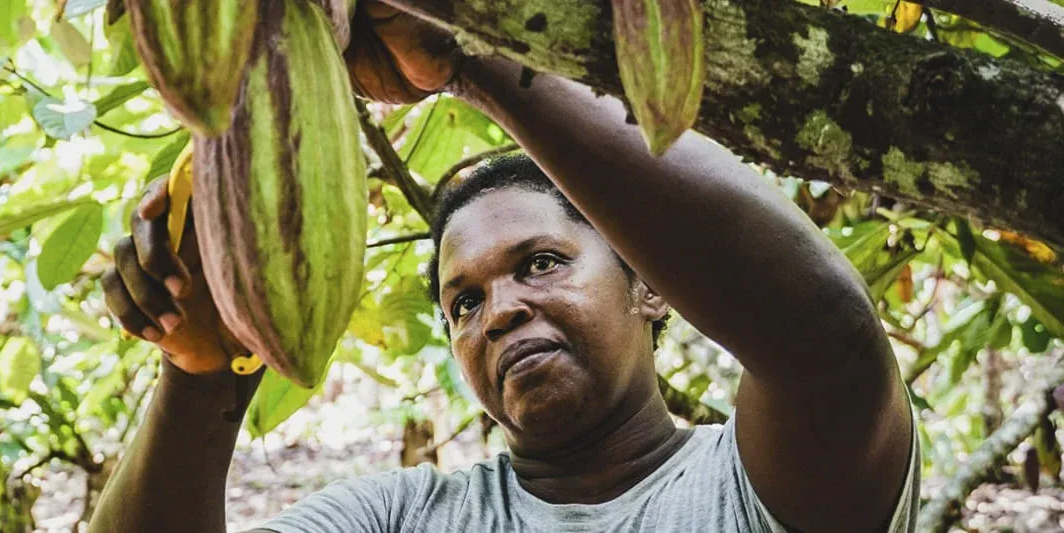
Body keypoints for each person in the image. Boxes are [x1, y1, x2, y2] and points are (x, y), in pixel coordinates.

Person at [91, 2, 919, 531]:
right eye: (463, 303)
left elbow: (829, 342)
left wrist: (471, 59)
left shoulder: (751, 486)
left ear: (649, 285)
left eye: (543, 262)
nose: (501, 311)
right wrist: (197, 370)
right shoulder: (400, 515)